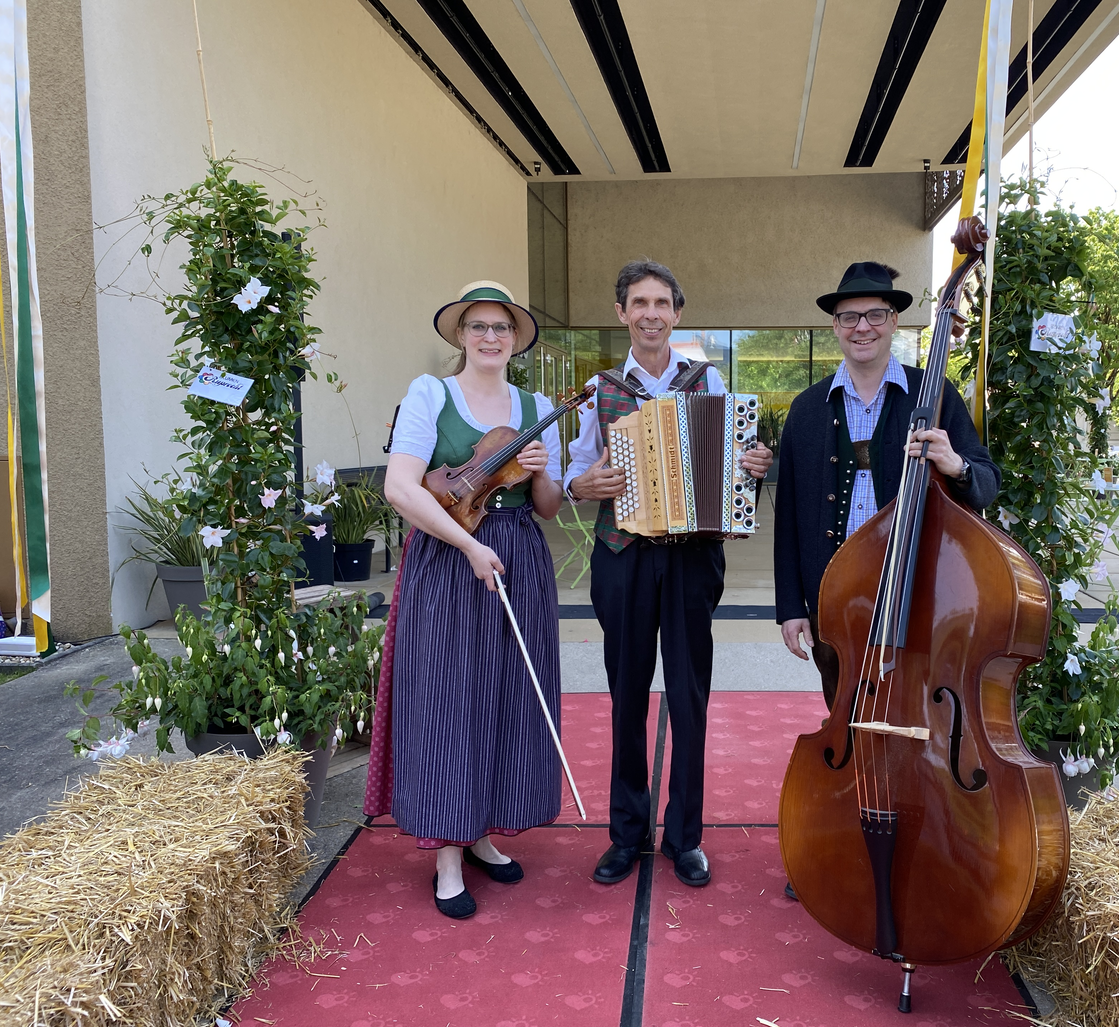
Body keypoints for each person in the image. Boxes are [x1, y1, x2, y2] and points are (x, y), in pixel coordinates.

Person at [567, 260, 773, 890]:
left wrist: (754, 466)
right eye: (639, 302)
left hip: (689, 560)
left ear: (677, 313)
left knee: (688, 698)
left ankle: (685, 838)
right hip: (622, 560)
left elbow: (737, 470)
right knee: (625, 699)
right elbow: (572, 477)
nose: (651, 313)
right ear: (623, 313)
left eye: (661, 302)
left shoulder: (708, 382)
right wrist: (585, 485)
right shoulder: (598, 389)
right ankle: (627, 836)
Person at [365, 280, 565, 919]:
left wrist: (540, 471)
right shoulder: (431, 394)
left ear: (516, 338)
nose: (489, 336)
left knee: (504, 695)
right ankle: (447, 856)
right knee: (448, 699)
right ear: (460, 335)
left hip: (518, 559)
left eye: (500, 327)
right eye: (477, 326)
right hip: (451, 557)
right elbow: (402, 488)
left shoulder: (534, 403)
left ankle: (479, 832)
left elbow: (549, 509)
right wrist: (467, 545)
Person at [773, 262, 1000, 707]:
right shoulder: (806, 410)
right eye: (849, 317)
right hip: (835, 600)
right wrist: (791, 606)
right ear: (835, 326)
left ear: (894, 321)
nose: (863, 328)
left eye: (875, 315)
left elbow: (987, 482)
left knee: (917, 715)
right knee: (844, 714)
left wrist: (956, 465)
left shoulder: (933, 395)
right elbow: (789, 519)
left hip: (920, 594)